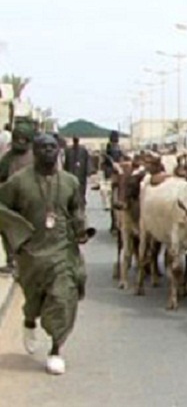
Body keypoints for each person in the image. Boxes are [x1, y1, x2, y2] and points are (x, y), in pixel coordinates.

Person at [0, 133, 95, 375]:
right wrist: (17, 234)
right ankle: (30, 320)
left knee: (63, 298)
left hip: (63, 250)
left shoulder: (70, 182)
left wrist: (81, 228)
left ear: (59, 151)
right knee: (34, 299)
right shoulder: (18, 182)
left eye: (53, 147)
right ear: (35, 150)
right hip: (32, 252)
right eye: (43, 147)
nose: (49, 151)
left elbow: (76, 209)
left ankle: (55, 349)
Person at [0, 123, 35, 275]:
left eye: (23, 139)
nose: (20, 142)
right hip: (11, 201)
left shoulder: (36, 157)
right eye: (18, 139)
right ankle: (12, 260)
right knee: (7, 229)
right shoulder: (8, 157)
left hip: (31, 201)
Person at [64, 136, 92, 212]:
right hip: (71, 174)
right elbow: (66, 163)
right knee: (71, 189)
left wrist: (88, 171)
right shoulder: (68, 151)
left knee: (81, 190)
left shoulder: (83, 151)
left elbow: (87, 161)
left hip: (81, 174)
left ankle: (81, 203)